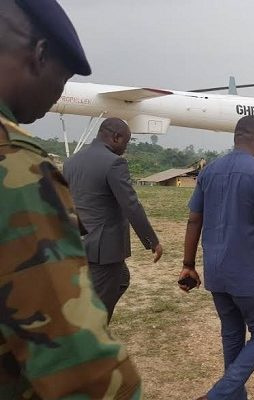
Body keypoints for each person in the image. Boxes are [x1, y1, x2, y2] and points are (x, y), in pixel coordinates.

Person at [0, 0, 141, 398]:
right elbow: (79, 365)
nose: (55, 96)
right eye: (61, 80)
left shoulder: (74, 159)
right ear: (39, 54)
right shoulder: (16, 167)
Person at [179, 115, 254, 400]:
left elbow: (194, 220)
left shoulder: (209, 171)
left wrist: (188, 265)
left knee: (232, 334)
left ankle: (234, 396)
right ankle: (217, 396)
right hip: (249, 274)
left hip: (216, 273)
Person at [63, 118, 163, 322]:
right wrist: (152, 241)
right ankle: (91, 342)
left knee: (121, 279)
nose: (125, 149)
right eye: (125, 142)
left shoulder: (71, 161)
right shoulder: (114, 162)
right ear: (116, 137)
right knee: (99, 311)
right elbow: (131, 205)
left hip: (77, 243)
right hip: (104, 250)